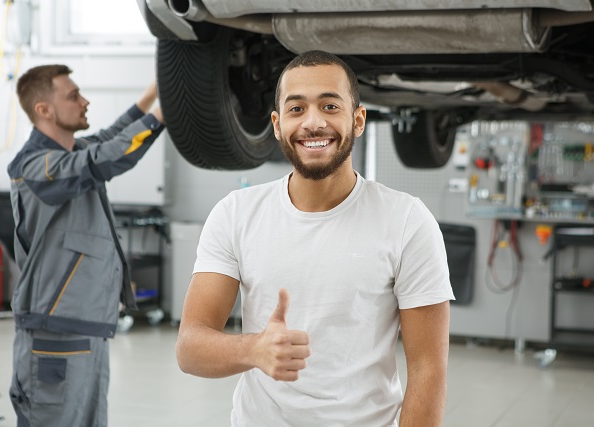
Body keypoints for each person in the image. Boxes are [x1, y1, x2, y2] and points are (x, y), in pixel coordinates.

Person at [175, 50, 455, 426]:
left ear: (358, 120)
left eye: (329, 105)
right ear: (276, 124)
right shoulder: (236, 213)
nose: (313, 122)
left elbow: (428, 369)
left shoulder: (407, 220)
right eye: (296, 109)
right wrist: (254, 348)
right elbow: (190, 348)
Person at [7, 64, 164, 427]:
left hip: (86, 327)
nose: (85, 101)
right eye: (73, 96)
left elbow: (112, 137)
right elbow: (102, 159)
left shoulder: (72, 152)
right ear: (44, 110)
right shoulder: (34, 166)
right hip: (52, 333)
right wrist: (162, 116)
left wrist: (154, 93)